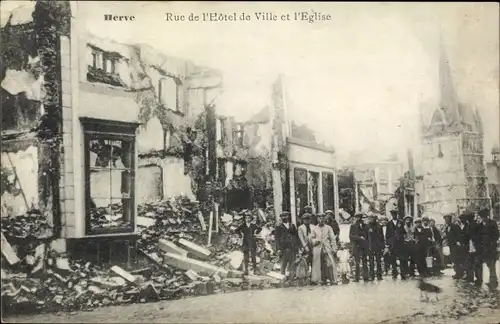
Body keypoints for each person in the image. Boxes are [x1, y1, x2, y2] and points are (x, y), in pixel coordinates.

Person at [310, 213, 338, 285]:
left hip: (327, 247)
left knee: (329, 263)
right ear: (317, 219)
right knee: (320, 264)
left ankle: (332, 279)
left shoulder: (328, 228)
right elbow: (312, 238)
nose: (321, 219)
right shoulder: (314, 228)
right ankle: (322, 279)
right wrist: (315, 241)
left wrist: (334, 248)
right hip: (318, 248)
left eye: (322, 218)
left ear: (324, 219)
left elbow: (332, 238)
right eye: (319, 218)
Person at [275, 211, 300, 282]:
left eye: (286, 216)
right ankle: (282, 279)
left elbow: (296, 236)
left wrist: (297, 247)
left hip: (292, 248)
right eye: (282, 216)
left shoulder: (292, 226)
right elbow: (277, 238)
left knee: (292, 264)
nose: (284, 217)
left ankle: (290, 279)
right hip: (283, 248)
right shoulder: (278, 227)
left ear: (288, 216)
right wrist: (278, 249)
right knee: (283, 264)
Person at [478, 208, 499, 288]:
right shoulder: (481, 225)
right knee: (488, 264)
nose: (483, 218)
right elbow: (479, 236)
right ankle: (492, 280)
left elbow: (496, 235)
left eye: (484, 216)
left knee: (492, 264)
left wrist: (492, 242)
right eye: (482, 216)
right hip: (484, 247)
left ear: (487, 216)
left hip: (491, 247)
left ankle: (494, 281)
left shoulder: (492, 223)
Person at [461, 211, 482, 285]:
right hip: (471, 245)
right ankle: (473, 278)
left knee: (475, 263)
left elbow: (476, 236)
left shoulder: (475, 225)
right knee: (471, 263)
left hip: (475, 245)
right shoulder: (472, 225)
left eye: (468, 218)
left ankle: (476, 278)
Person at [386, 209, 406, 279]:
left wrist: (402, 239)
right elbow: (387, 235)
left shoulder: (401, 222)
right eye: (393, 214)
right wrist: (388, 244)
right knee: (393, 259)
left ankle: (403, 273)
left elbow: (404, 232)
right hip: (392, 244)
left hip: (400, 244)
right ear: (391, 215)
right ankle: (394, 273)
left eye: (395, 214)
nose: (394, 215)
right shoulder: (389, 223)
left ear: (397, 215)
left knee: (402, 259)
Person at [350, 213, 369, 282]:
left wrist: (367, 244)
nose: (359, 219)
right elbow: (351, 236)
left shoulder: (366, 226)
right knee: (357, 262)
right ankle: (357, 277)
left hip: (364, 246)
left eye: (360, 217)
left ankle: (366, 277)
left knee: (365, 262)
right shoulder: (353, 226)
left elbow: (368, 237)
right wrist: (359, 238)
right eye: (357, 217)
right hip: (357, 246)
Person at [366, 214, 384, 280]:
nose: (370, 219)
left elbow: (382, 237)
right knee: (371, 261)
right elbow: (366, 237)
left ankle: (379, 275)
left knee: (378, 261)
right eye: (370, 218)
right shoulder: (367, 226)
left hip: (378, 246)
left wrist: (382, 247)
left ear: (375, 218)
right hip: (370, 246)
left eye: (372, 218)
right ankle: (372, 275)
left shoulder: (379, 226)